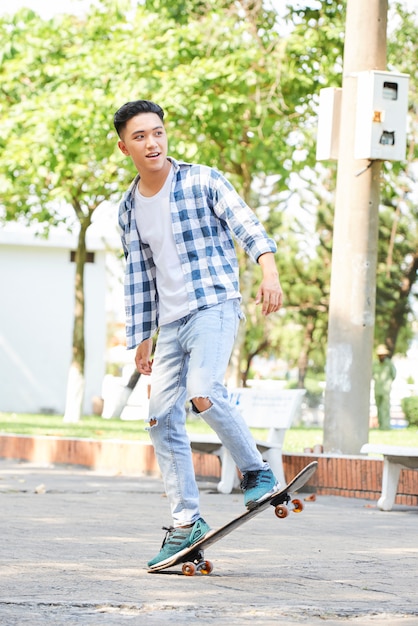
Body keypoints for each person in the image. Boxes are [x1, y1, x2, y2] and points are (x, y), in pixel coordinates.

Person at [114, 99, 283, 568]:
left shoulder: (203, 179)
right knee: (160, 418)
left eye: (158, 133)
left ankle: (256, 471)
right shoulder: (128, 207)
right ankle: (186, 523)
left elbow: (247, 226)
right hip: (169, 324)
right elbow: (141, 275)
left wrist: (268, 273)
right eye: (141, 136)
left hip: (213, 304)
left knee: (204, 390)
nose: (153, 143)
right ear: (124, 145)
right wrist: (142, 336)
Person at [372, 344, 396, 430]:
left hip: (386, 390)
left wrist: (388, 383)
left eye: (382, 355)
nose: (381, 356)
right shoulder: (374, 364)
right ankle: (380, 425)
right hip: (377, 389)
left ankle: (386, 426)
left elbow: (393, 375)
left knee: (385, 408)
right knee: (378, 407)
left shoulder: (389, 363)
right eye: (380, 355)